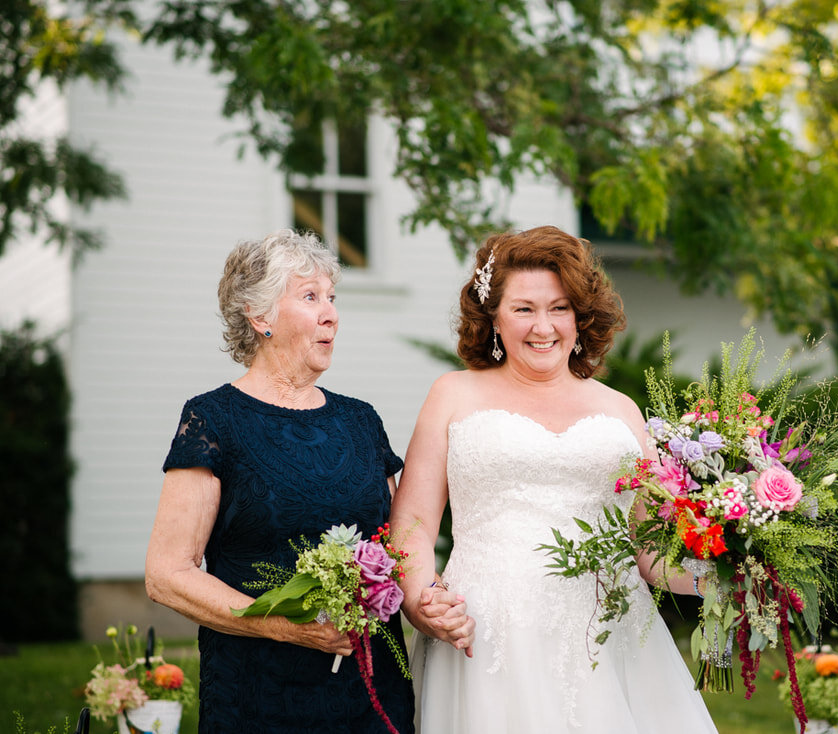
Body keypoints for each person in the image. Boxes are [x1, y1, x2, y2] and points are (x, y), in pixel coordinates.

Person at [390, 225, 719, 732]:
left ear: (581, 317)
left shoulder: (622, 411)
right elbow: (411, 523)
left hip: (610, 639)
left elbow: (652, 553)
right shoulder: (452, 395)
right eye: (524, 308)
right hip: (488, 634)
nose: (543, 326)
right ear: (493, 318)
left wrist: (725, 578)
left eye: (559, 307)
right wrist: (420, 602)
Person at [145, 229, 471, 733]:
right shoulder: (214, 420)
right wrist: (286, 626)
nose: (331, 313)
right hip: (258, 697)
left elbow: (400, 548)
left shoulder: (361, 421)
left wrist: (429, 599)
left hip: (372, 694)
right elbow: (168, 575)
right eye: (311, 296)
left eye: (333, 298)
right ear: (260, 317)